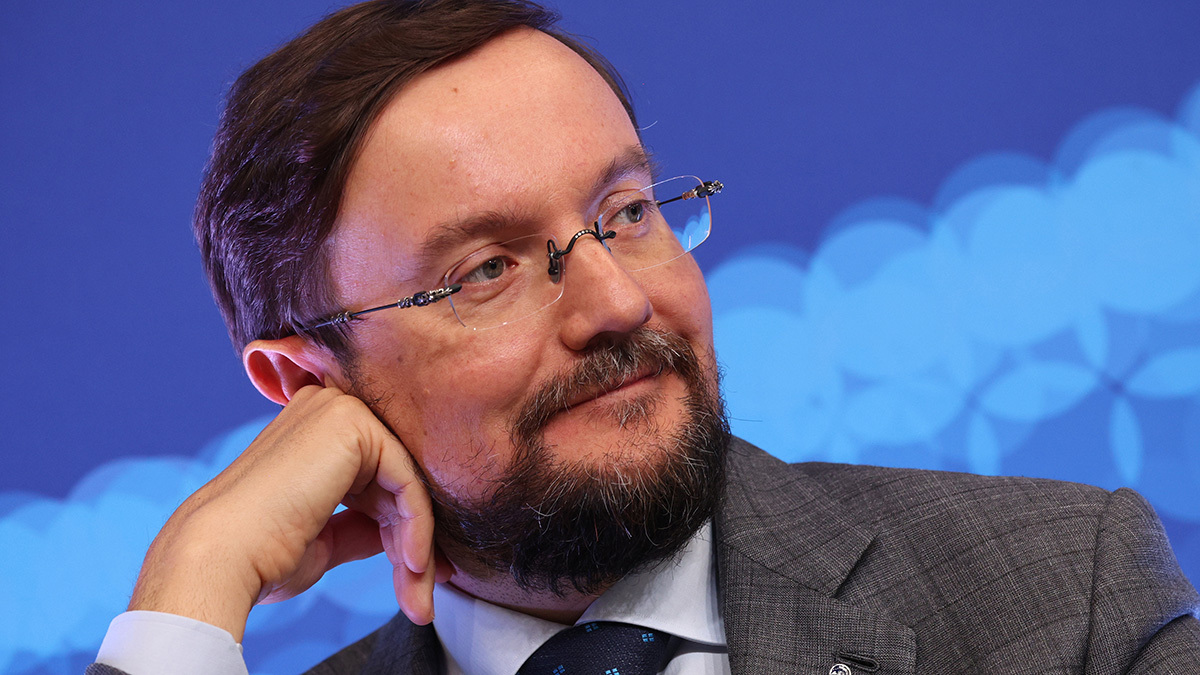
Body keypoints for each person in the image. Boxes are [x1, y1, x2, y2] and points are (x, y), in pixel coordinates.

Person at [91, 1, 1200, 673]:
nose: (617, 303)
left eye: (626, 214)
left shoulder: (1062, 595)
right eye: (486, 270)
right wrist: (192, 589)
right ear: (308, 384)